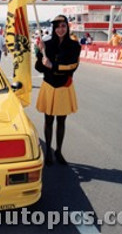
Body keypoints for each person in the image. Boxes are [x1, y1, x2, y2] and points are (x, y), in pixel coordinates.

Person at [35, 15, 81, 166]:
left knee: (61, 120)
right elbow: (38, 67)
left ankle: (58, 151)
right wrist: (40, 53)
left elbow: (73, 66)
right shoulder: (46, 43)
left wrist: (53, 66)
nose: (60, 29)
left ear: (67, 27)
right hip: (49, 85)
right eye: (57, 27)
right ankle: (48, 150)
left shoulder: (75, 45)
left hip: (64, 86)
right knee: (48, 120)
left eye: (63, 26)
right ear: (54, 29)